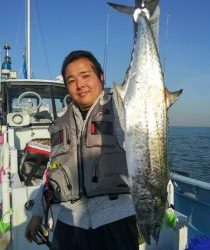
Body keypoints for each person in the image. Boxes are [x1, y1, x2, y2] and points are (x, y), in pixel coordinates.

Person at [25, 50, 139, 250]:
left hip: (116, 222)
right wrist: (37, 215)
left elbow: (143, 86)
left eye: (86, 76)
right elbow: (53, 172)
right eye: (71, 80)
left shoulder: (123, 108)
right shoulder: (60, 121)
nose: (79, 85)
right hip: (69, 224)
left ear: (101, 77)